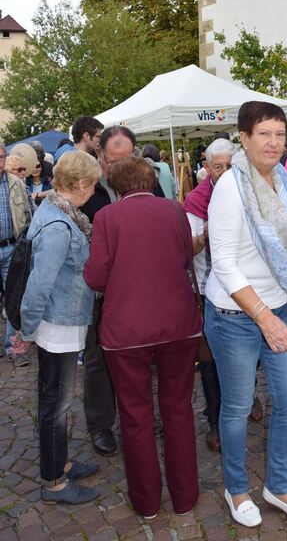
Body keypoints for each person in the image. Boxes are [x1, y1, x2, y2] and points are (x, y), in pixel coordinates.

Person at [204, 101, 287, 527]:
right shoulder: (231, 188)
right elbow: (225, 263)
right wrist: (264, 318)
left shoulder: (282, 182)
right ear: (245, 138)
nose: (273, 142)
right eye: (263, 134)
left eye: (279, 133)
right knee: (235, 406)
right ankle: (236, 490)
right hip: (234, 314)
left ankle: (278, 486)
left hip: (278, 305)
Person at [84, 157, 201, 519]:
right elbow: (184, 256)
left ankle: (147, 502)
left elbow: (96, 277)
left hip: (126, 330)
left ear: (116, 186)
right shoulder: (173, 210)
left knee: (135, 415)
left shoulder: (106, 218)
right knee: (178, 409)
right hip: (178, 322)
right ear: (151, 181)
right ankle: (185, 497)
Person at [19, 151, 101, 504]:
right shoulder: (58, 224)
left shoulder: (58, 212)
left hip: (61, 321)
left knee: (56, 400)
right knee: (56, 403)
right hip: (56, 326)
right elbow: (39, 285)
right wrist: (25, 331)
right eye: (93, 183)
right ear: (80, 183)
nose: (94, 190)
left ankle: (60, 463)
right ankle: (54, 481)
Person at [81, 126, 166, 457]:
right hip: (101, 289)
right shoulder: (87, 185)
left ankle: (141, 416)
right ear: (100, 155)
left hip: (141, 289)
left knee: (142, 356)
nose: (121, 167)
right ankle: (101, 424)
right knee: (97, 360)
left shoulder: (148, 182)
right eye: (114, 160)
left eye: (128, 158)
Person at [184, 138, 235, 452]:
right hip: (208, 289)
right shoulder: (197, 201)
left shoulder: (247, 191)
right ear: (206, 167)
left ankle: (247, 397)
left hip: (243, 287)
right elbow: (186, 249)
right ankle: (216, 419)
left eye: (230, 166)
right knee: (212, 358)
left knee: (244, 352)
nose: (225, 172)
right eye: (219, 167)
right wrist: (206, 235)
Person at [0, 141, 32, 366]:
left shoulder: (15, 183)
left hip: (12, 247)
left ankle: (13, 346)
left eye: (2, 157)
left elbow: (28, 213)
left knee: (14, 298)